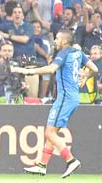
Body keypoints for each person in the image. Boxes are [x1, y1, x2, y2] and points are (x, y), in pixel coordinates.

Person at [12, 29, 98, 178]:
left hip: (65, 98)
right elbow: (95, 69)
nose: (55, 41)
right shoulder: (78, 53)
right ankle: (42, 165)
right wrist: (85, 75)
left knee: (49, 133)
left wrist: (27, 71)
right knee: (52, 133)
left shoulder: (63, 53)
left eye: (57, 39)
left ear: (64, 41)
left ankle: (70, 160)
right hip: (72, 98)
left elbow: (51, 69)